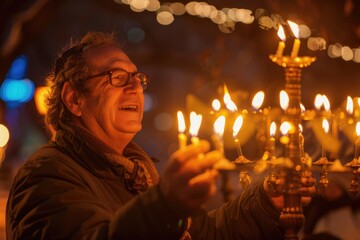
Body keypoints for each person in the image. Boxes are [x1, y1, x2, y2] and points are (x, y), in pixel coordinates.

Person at [6, 31, 308, 240]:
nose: (135, 87)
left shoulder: (135, 173)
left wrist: (267, 201)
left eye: (138, 78)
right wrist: (164, 205)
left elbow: (202, 234)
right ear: (74, 99)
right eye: (117, 77)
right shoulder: (46, 176)